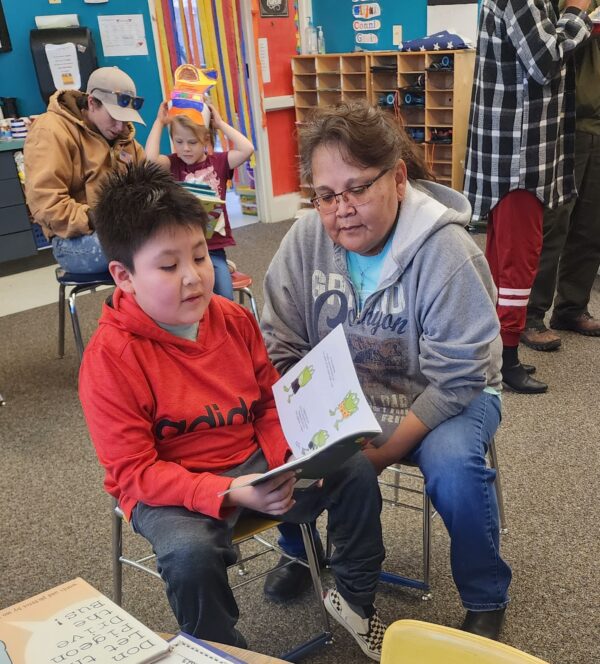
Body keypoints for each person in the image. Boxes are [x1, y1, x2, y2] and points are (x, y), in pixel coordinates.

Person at [78, 161, 387, 661]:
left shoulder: (234, 319)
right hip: (169, 486)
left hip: (253, 461)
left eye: (200, 257)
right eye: (168, 265)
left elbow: (267, 402)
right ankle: (221, 652)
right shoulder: (110, 359)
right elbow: (135, 472)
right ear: (124, 276)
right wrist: (228, 490)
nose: (194, 278)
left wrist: (287, 460)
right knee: (190, 556)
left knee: (353, 468)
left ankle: (354, 598)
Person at [260, 101, 511, 641]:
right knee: (278, 440)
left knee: (454, 467)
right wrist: (312, 420)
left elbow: (459, 377)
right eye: (326, 195)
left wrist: (376, 456)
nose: (341, 208)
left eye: (357, 188)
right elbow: (280, 342)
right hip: (348, 396)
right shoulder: (306, 241)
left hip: (447, 396)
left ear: (398, 178)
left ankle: (485, 592)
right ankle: (300, 553)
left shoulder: (447, 252)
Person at [463, 0, 592, 394]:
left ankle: (493, 354)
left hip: (518, 153)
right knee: (518, 263)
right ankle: (507, 359)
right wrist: (576, 11)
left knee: (503, 263)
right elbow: (544, 61)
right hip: (518, 157)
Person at [522, 1, 600, 350]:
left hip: (597, 123)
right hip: (565, 121)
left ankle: (571, 307)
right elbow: (548, 50)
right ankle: (530, 314)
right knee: (554, 221)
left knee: (591, 224)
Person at [24, 66, 145, 274]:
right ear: (92, 103)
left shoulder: (124, 139)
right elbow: (45, 204)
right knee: (146, 253)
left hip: (121, 231)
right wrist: (98, 217)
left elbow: (146, 183)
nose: (119, 127)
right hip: (72, 240)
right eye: (114, 117)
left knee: (174, 240)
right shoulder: (51, 130)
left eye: (125, 120)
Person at [145, 100, 254, 299]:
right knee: (185, 297)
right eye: (179, 142)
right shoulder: (173, 164)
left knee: (224, 297)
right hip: (182, 250)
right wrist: (159, 123)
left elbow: (247, 149)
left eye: (192, 142)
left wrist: (219, 124)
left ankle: (222, 269)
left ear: (205, 140)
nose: (185, 148)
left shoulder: (219, 162)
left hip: (212, 248)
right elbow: (150, 161)